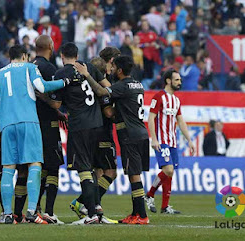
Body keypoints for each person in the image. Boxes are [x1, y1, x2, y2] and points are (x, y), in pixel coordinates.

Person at [0, 45, 69, 224]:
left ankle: (8, 214)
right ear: (25, 56)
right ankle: (32, 211)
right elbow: (41, 86)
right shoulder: (30, 68)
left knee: (9, 168)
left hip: (6, 124)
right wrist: (63, 82)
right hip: (28, 121)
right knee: (35, 163)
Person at [75, 55, 150, 225]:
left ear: (120, 70)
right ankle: (135, 213)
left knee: (134, 176)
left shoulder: (122, 86)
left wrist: (87, 75)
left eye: (114, 67)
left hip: (130, 134)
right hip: (141, 132)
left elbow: (102, 92)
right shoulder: (138, 84)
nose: (112, 70)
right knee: (134, 174)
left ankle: (142, 215)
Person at [51, 43, 110, 225]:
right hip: (98, 125)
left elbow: (55, 104)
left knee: (83, 168)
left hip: (79, 125)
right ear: (77, 55)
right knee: (91, 168)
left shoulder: (61, 73)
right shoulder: (88, 66)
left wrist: (43, 94)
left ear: (62, 56)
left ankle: (91, 214)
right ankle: (95, 210)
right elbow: (107, 87)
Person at [145, 69, 195, 214]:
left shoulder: (176, 100)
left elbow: (180, 121)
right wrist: (154, 139)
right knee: (168, 169)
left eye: (180, 80)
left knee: (170, 173)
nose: (180, 82)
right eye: (177, 80)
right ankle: (150, 194)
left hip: (173, 141)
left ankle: (165, 206)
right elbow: (151, 118)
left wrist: (189, 140)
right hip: (161, 140)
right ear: (168, 81)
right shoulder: (159, 97)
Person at [30, 35, 65, 224]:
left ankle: (34, 208)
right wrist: (58, 110)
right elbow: (53, 100)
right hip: (48, 125)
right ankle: (49, 212)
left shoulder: (28, 66)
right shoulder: (49, 68)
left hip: (31, 123)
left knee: (38, 167)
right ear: (51, 46)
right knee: (53, 168)